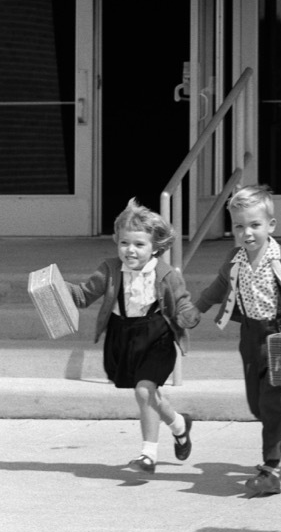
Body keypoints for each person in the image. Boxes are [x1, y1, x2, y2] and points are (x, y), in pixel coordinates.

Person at [195, 185, 281, 497]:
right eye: (239, 226)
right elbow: (219, 286)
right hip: (251, 336)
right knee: (258, 405)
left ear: (271, 225)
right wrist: (195, 309)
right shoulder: (235, 258)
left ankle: (270, 470)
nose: (247, 233)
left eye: (254, 225)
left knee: (272, 402)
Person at [65, 198, 200, 474]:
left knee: (144, 390)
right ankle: (179, 424)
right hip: (123, 336)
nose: (131, 250)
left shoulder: (165, 274)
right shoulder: (110, 269)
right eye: (125, 243)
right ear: (116, 241)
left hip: (157, 336)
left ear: (155, 247)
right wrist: (57, 286)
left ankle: (147, 455)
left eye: (139, 244)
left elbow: (183, 301)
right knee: (149, 394)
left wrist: (188, 315)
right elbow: (83, 296)